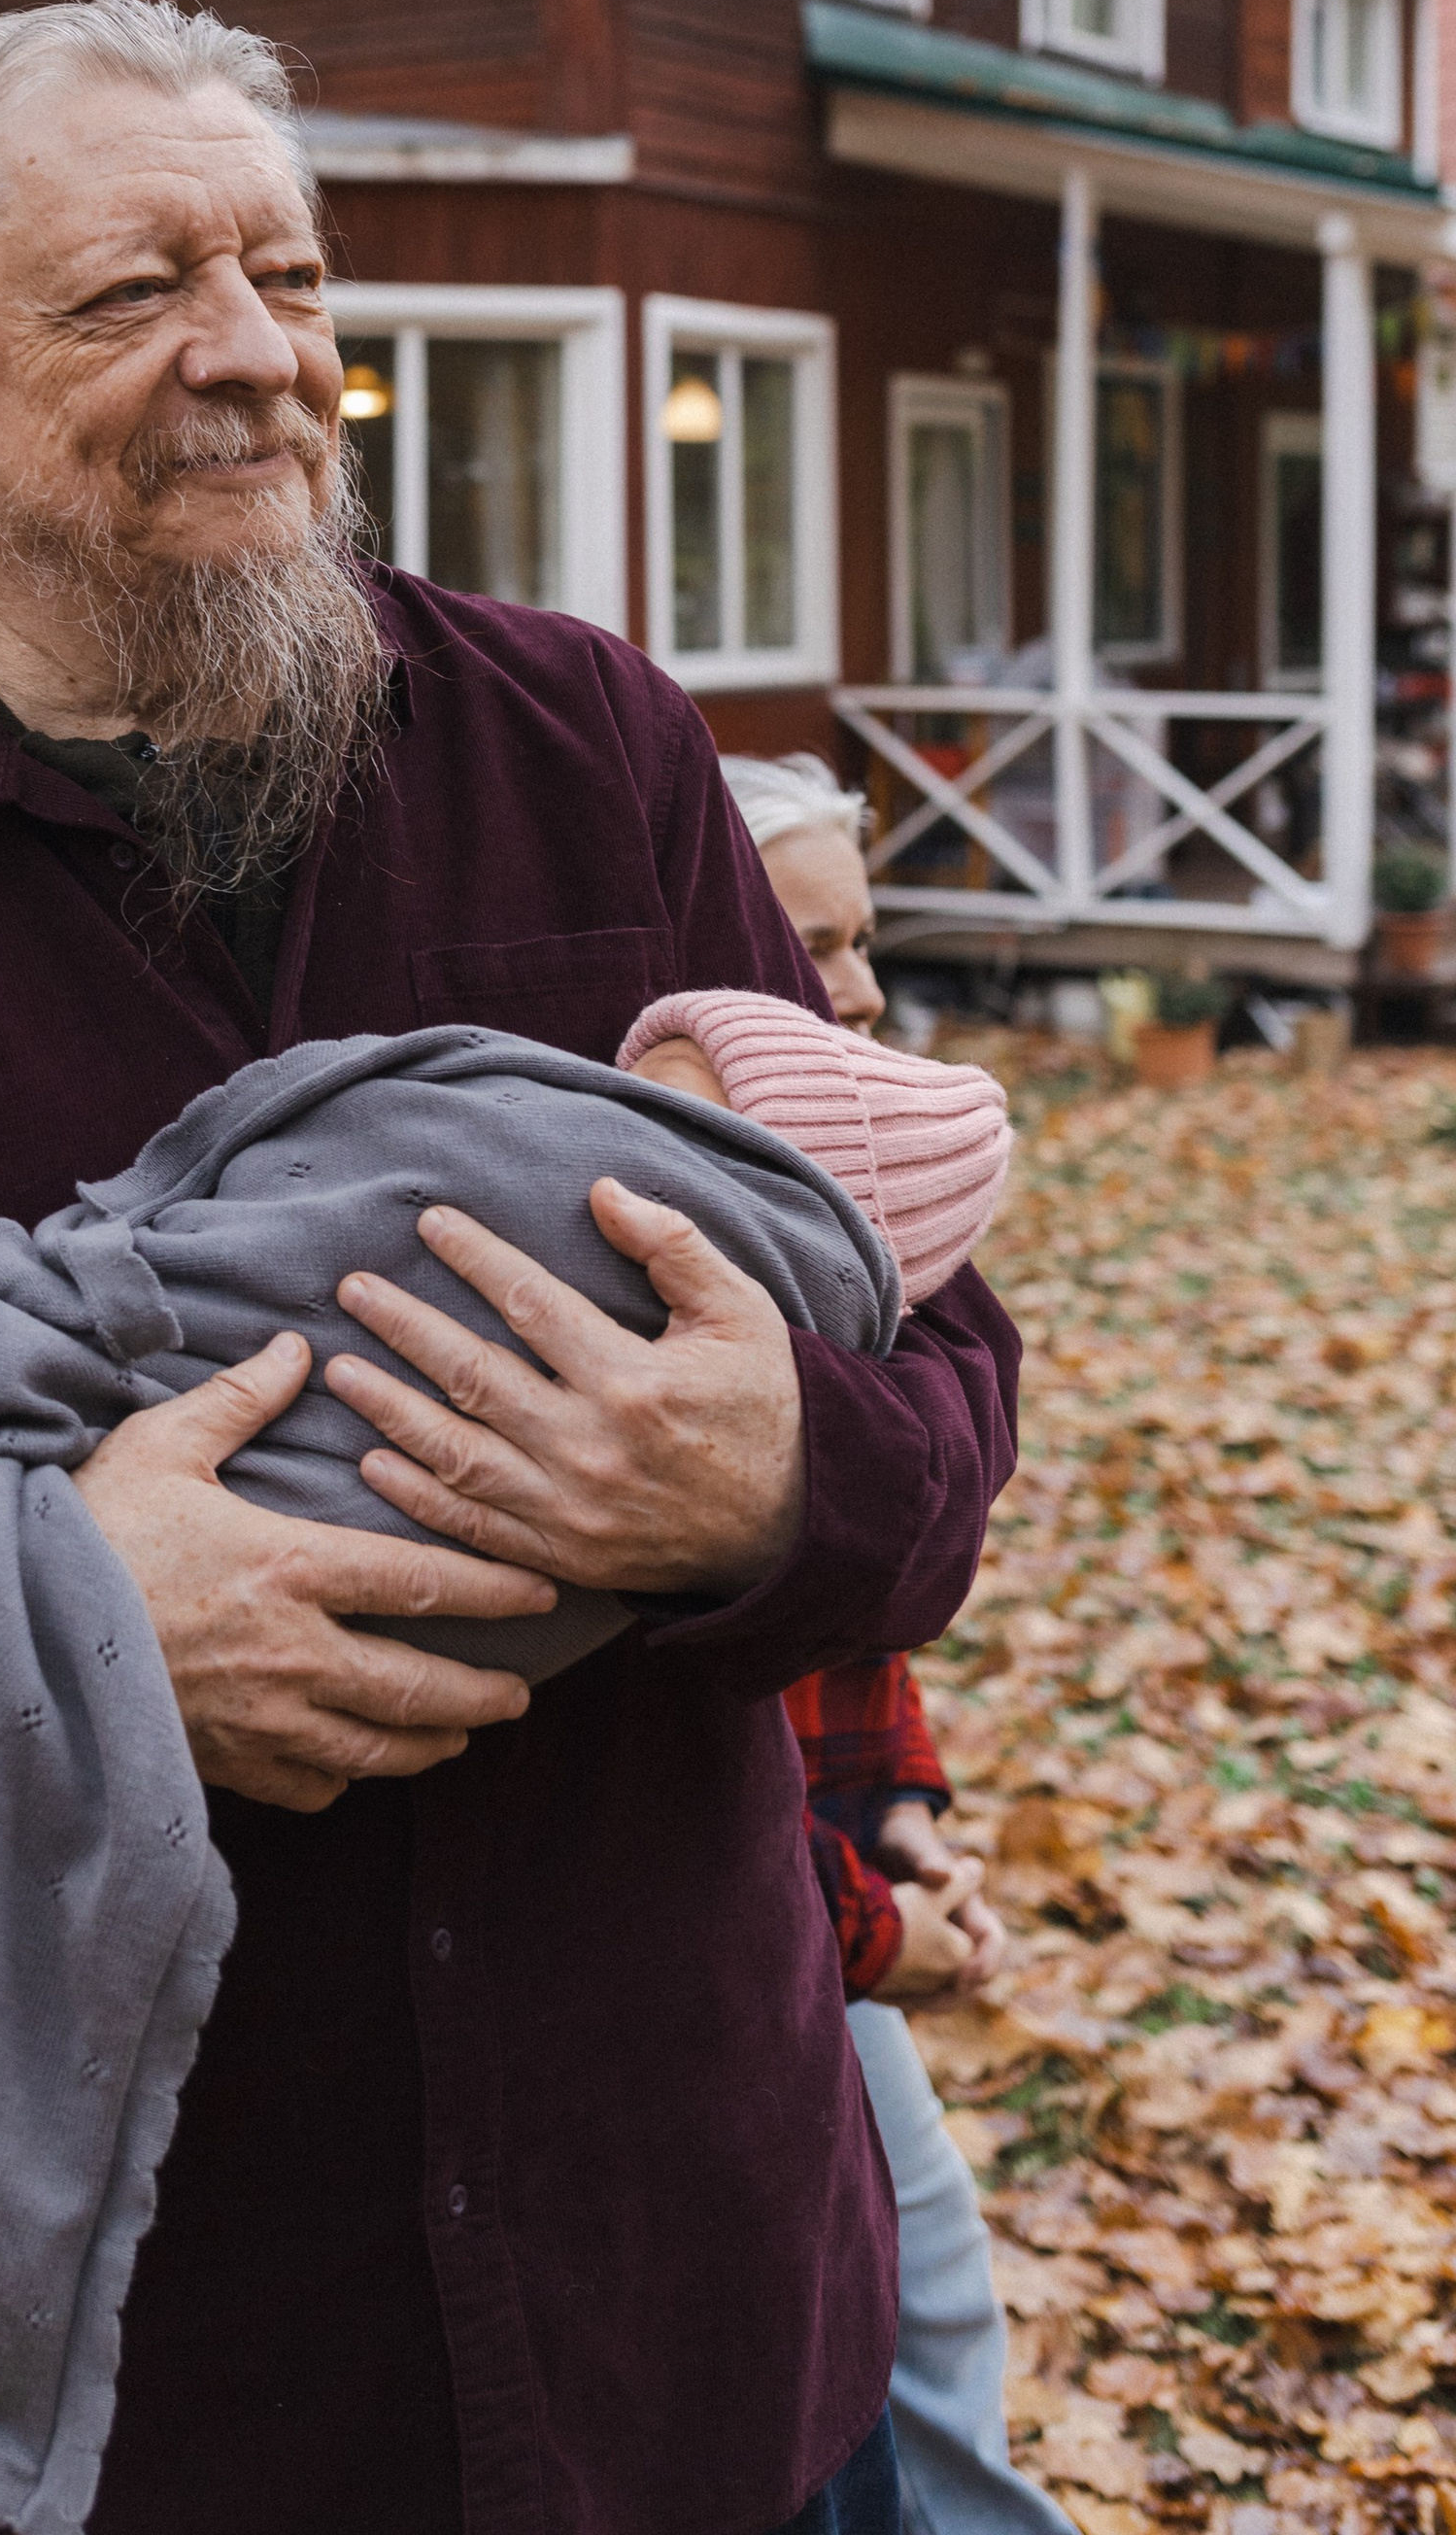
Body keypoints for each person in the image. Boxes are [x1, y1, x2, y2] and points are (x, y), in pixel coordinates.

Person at [0, 0, 1021, 2535]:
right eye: (130, 295)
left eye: (288, 281)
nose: (252, 357)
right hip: (147, 2391)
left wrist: (764, 1473)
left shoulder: (598, 754)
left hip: (681, 2308)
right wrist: (55, 1624)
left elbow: (935, 1378)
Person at [719, 753, 1075, 2535]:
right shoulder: (694, 1272)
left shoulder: (848, 1247)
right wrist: (883, 1935)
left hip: (821, 1901)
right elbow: (692, 1719)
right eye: (811, 948)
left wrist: (905, 1816)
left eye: (865, 943)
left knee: (922, 2297)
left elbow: (843, 1629)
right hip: (722, 1939)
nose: (857, 993)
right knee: (885, 2319)